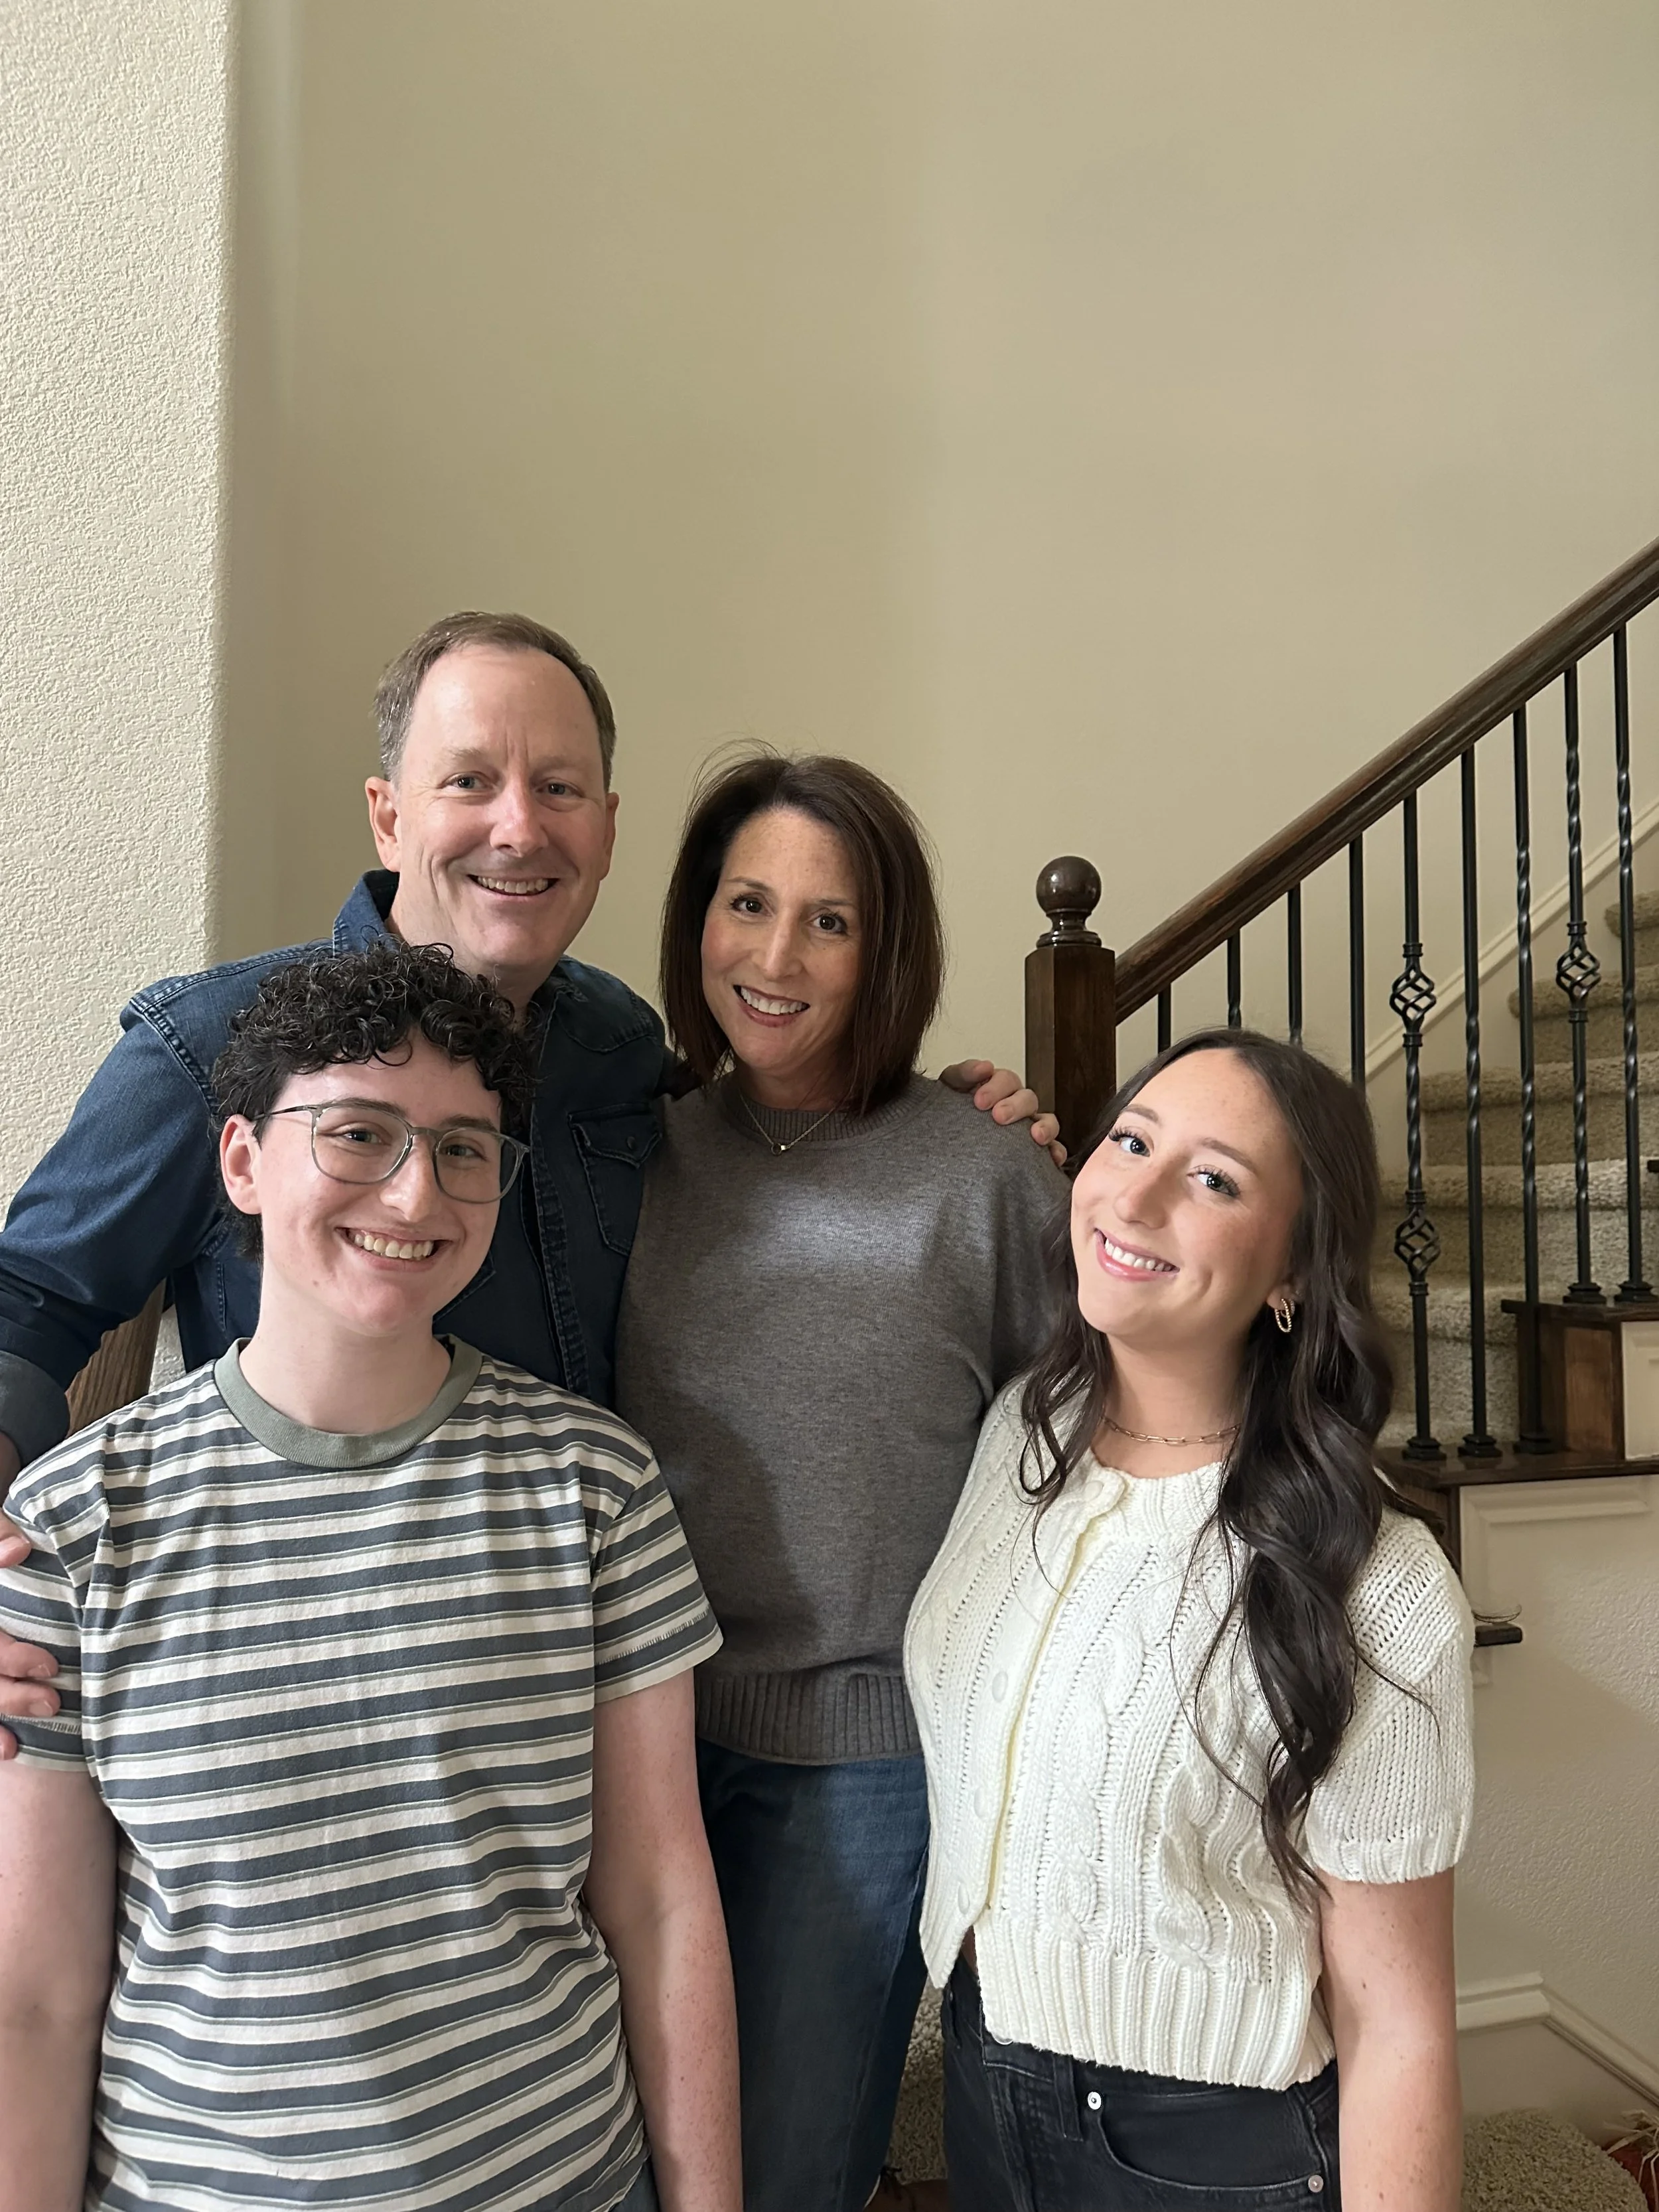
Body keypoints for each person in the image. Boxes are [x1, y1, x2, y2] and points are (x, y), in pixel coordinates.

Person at [0, 610, 1052, 1747]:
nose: (518, 827)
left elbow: (767, 1157)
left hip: (623, 1681)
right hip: (331, 1692)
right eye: (469, 781)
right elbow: (30, 1300)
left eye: (558, 789)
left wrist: (950, 1119)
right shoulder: (212, 1046)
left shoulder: (618, 1044)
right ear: (388, 813)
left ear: (605, 830)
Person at [0, 939, 739, 2212]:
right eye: (356, 1134)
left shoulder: (594, 1486)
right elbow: (38, 1992)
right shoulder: (74, 1522)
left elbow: (661, 1903)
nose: (413, 1198)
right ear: (241, 1159)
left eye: (463, 1149)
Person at [904, 1031, 1475, 2212]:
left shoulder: (1378, 1580)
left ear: (1293, 1273)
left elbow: (1400, 2024)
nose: (1139, 1193)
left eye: (1215, 1179)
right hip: (982, 2064)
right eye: (1131, 1140)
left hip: (1207, 2150)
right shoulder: (1024, 1429)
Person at [614, 752, 1068, 2212]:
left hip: (859, 1756)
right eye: (746, 904)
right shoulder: (635, 1148)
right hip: (633, 1740)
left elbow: (1081, 1448)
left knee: (776, 2164)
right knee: (624, 2144)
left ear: (889, 951)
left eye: (829, 920)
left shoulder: (985, 1172)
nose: (775, 955)